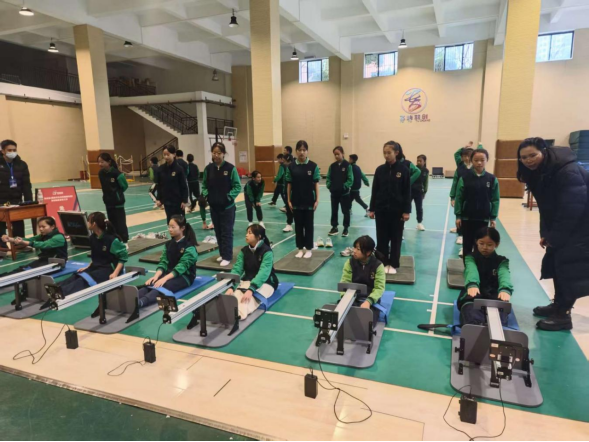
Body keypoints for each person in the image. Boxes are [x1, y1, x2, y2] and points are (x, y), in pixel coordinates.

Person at [517, 137, 589, 331]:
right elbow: (546, 207)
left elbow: (572, 209)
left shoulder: (567, 171)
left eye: (533, 155)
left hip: (581, 225)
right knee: (557, 264)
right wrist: (546, 232)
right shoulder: (541, 172)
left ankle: (563, 315)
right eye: (524, 157)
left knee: (569, 268)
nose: (528, 160)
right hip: (565, 223)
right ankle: (557, 305)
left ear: (544, 152)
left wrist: (555, 236)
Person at [47, 212, 128, 306]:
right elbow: (96, 256)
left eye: (88, 221)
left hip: (108, 269)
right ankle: (53, 289)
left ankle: (59, 294)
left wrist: (115, 273)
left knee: (83, 280)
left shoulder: (112, 239)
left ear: (94, 224)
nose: (87, 223)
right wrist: (88, 267)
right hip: (96, 266)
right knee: (76, 275)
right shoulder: (92, 238)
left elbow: (123, 257)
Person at [369, 141, 411, 275]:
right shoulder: (380, 170)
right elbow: (375, 190)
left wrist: (406, 211)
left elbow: (407, 192)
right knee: (381, 238)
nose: (386, 155)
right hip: (381, 210)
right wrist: (372, 209)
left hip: (397, 212)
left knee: (396, 238)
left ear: (396, 153)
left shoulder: (404, 170)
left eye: (389, 153)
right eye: (384, 153)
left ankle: (393, 263)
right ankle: (382, 262)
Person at [138, 216, 198, 308]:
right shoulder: (168, 244)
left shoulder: (190, 247)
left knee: (164, 285)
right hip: (169, 273)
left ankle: (141, 302)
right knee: (151, 283)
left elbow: (181, 267)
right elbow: (163, 262)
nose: (170, 229)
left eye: (173, 227)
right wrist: (156, 276)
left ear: (182, 228)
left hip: (185, 276)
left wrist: (164, 278)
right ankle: (132, 298)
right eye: (169, 227)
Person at [457, 227, 513, 326]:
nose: (485, 247)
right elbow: (471, 271)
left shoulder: (502, 261)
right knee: (472, 317)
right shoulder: (470, 258)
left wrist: (505, 289)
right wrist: (472, 284)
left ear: (497, 244)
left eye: (489, 244)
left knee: (499, 322)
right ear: (476, 242)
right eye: (481, 243)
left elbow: (504, 274)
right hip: (473, 294)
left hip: (494, 296)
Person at [225, 224, 279, 320]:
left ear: (259, 236)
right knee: (235, 295)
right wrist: (231, 286)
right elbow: (237, 269)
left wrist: (251, 289)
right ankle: (225, 312)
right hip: (248, 279)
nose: (246, 235)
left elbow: (264, 272)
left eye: (250, 233)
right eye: (247, 233)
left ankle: (238, 315)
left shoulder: (267, 252)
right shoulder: (244, 251)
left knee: (249, 298)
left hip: (266, 282)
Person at [454, 148, 500, 261]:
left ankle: (478, 267)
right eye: (476, 160)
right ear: (471, 161)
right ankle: (467, 267)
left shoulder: (492, 179)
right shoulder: (464, 178)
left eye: (482, 160)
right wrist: (458, 216)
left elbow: (495, 199)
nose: (479, 163)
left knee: (480, 245)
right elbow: (459, 197)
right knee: (467, 245)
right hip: (467, 218)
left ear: (486, 160)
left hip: (483, 218)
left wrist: (493, 217)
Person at [202, 142, 241, 267]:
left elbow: (237, 186)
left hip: (227, 207)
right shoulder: (208, 169)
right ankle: (222, 253)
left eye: (219, 153)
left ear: (223, 154)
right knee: (218, 231)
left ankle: (227, 256)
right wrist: (207, 195)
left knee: (226, 232)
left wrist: (229, 197)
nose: (216, 155)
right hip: (214, 207)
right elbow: (204, 185)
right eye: (214, 153)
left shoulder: (230, 168)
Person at [339, 235, 386, 327]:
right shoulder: (349, 263)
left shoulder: (378, 266)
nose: (354, 251)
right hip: (352, 298)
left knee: (365, 324)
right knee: (341, 320)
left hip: (370, 301)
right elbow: (345, 282)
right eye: (354, 247)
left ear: (368, 252)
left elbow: (379, 288)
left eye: (358, 249)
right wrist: (345, 299)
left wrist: (368, 301)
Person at [286, 140, 321, 259]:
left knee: (309, 226)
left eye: (304, 150)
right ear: (296, 151)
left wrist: (317, 200)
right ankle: (300, 249)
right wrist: (289, 200)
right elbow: (289, 184)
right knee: (298, 226)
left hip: (309, 201)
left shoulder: (313, 166)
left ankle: (309, 249)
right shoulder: (291, 166)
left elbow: (316, 184)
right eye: (299, 150)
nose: (302, 152)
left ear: (307, 151)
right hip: (296, 201)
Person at [0, 216, 67, 277]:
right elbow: (29, 239)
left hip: (56, 263)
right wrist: (10, 239)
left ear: (52, 226)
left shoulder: (58, 237)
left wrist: (25, 243)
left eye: (43, 227)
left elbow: (44, 245)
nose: (41, 229)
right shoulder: (43, 235)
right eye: (39, 227)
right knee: (22, 269)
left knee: (25, 273)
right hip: (44, 260)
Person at [0, 140, 32, 253]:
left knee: (18, 222)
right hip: (1, 199)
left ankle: (19, 245)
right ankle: (2, 247)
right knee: (0, 223)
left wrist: (29, 201)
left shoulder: (22, 164)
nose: (12, 152)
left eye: (14, 150)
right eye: (9, 150)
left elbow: (26, 184)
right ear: (3, 151)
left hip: (16, 199)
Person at [97, 153, 129, 243]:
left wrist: (117, 194)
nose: (100, 164)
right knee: (112, 223)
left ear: (109, 162)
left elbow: (125, 186)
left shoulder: (117, 173)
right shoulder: (101, 173)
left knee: (120, 223)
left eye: (102, 162)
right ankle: (115, 239)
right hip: (108, 202)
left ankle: (124, 240)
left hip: (118, 202)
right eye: (99, 162)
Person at [450, 145, 477, 243]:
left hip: (471, 196)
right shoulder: (460, 166)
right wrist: (453, 197)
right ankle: (460, 233)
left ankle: (468, 231)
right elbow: (455, 182)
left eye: (469, 156)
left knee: (469, 215)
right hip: (460, 194)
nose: (466, 158)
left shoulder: (475, 167)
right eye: (464, 156)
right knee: (459, 214)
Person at [156, 146, 189, 223]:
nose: (166, 157)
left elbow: (184, 186)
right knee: (170, 222)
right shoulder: (161, 169)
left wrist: (184, 200)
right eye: (164, 155)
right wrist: (159, 199)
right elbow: (159, 185)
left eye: (168, 154)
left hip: (178, 202)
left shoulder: (179, 169)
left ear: (174, 154)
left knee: (180, 223)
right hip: (167, 202)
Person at [327, 146, 354, 238]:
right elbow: (328, 178)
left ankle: (346, 228)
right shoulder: (332, 166)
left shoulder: (348, 166)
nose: (336, 156)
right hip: (334, 194)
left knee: (345, 211)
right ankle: (334, 227)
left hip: (344, 194)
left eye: (338, 154)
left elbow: (350, 179)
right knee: (334, 211)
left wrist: (344, 186)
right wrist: (329, 186)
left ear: (343, 154)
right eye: (335, 154)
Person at [413, 155, 429, 231]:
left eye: (420, 161)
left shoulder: (426, 171)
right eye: (417, 160)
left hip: (419, 192)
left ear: (424, 162)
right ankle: (402, 223)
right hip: (410, 191)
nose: (418, 162)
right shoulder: (413, 169)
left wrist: (424, 192)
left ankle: (419, 223)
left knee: (419, 208)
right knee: (406, 207)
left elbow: (426, 182)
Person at [281, 154, 295, 233]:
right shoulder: (286, 167)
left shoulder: (294, 167)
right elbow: (286, 181)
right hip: (287, 191)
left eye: (284, 160)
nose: (283, 162)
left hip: (296, 192)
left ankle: (301, 224)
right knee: (288, 208)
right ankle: (289, 224)